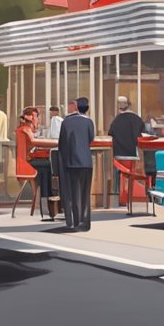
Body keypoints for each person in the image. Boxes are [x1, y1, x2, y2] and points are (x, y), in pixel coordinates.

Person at [57, 96, 96, 231]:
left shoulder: (66, 122)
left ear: (76, 107)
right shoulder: (89, 122)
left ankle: (73, 220)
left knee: (73, 192)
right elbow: (91, 138)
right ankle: (85, 222)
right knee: (85, 193)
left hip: (71, 161)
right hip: (86, 162)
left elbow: (62, 142)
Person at [15, 107, 57, 220]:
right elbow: (34, 142)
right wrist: (56, 143)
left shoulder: (24, 129)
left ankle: (49, 206)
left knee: (47, 166)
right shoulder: (25, 129)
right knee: (47, 168)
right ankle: (47, 207)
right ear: (31, 118)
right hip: (26, 164)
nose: (38, 119)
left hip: (27, 161)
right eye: (36, 116)